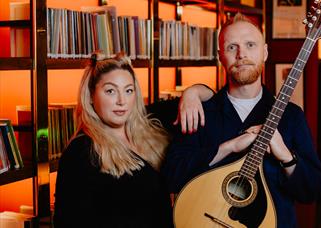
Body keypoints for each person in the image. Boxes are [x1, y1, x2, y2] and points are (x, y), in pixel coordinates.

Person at [162, 13, 321, 227]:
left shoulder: (291, 116)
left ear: (265, 52)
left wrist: (286, 156)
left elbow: (313, 191)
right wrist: (229, 147)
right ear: (221, 55)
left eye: (250, 45)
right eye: (232, 47)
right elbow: (171, 176)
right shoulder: (199, 113)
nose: (241, 54)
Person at [53, 53, 213, 228]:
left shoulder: (149, 120)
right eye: (110, 91)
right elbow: (67, 222)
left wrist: (192, 93)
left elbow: (212, 99)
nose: (122, 101)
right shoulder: (81, 151)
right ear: (91, 96)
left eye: (128, 90)